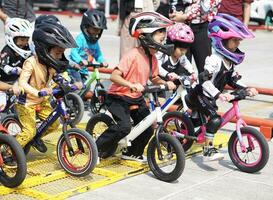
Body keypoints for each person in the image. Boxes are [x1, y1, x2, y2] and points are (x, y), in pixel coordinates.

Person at [96, 11, 176, 162]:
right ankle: (97, 148)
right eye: (160, 37)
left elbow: (154, 77)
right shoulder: (132, 55)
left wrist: (165, 83)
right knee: (124, 127)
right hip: (118, 97)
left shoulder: (152, 58)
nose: (163, 41)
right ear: (146, 37)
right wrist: (130, 84)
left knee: (147, 126)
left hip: (136, 98)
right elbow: (114, 76)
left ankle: (132, 153)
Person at [185, 13, 258, 161]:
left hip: (210, 96)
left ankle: (197, 129)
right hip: (200, 94)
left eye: (239, 41)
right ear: (222, 41)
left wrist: (247, 88)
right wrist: (219, 95)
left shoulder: (229, 61)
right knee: (215, 119)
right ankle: (208, 150)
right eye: (234, 40)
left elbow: (233, 80)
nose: (237, 44)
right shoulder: (213, 60)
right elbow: (203, 80)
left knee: (202, 122)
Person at [16, 21, 77, 153]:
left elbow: (56, 77)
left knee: (54, 124)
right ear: (44, 49)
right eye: (58, 53)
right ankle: (9, 151)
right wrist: (37, 92)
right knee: (29, 131)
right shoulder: (31, 63)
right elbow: (22, 83)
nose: (60, 57)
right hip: (27, 102)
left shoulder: (50, 63)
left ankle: (35, 139)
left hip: (42, 100)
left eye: (62, 53)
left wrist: (68, 84)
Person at [169, 0, 221, 74]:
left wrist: (185, 16)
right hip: (179, 27)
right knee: (180, 69)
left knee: (205, 68)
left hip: (201, 26)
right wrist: (174, 13)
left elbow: (209, 4)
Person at [69, 9, 108, 85]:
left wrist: (102, 61)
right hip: (74, 68)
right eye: (94, 29)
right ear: (86, 26)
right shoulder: (81, 38)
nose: (96, 32)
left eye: (99, 30)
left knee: (87, 88)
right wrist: (80, 60)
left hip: (84, 70)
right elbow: (73, 51)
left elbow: (98, 54)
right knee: (78, 86)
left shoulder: (95, 42)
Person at [0, 18, 33, 85]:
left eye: (27, 40)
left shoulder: (26, 49)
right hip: (3, 84)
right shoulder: (7, 51)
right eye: (22, 40)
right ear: (12, 38)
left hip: (17, 82)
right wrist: (14, 70)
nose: (24, 43)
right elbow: (3, 65)